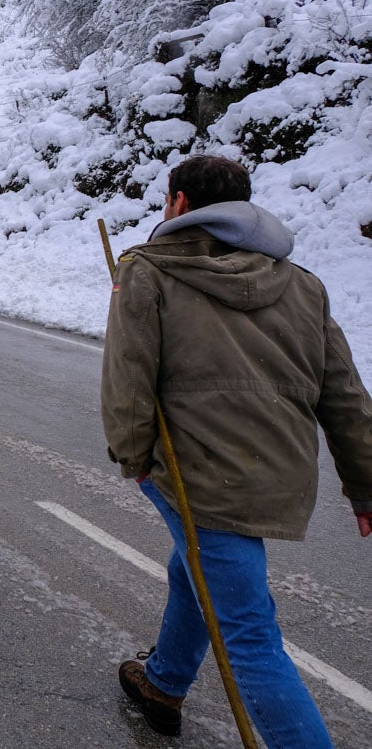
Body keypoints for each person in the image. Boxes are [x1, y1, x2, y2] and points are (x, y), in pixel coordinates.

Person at [101, 153, 372, 745]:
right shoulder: (304, 286)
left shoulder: (147, 270)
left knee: (248, 638)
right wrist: (365, 484)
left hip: (197, 477)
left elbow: (128, 380)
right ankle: (163, 683)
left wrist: (135, 460)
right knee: (192, 569)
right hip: (281, 475)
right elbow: (345, 395)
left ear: (177, 204)